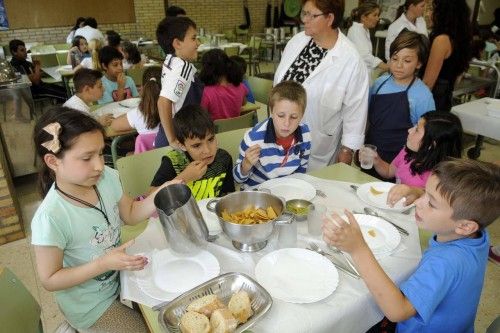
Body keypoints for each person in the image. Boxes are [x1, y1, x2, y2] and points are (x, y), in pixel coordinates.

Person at [30, 107, 180, 332]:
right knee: (147, 328)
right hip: (90, 305)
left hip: (119, 277)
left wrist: (158, 195)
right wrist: (103, 264)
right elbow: (50, 279)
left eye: (100, 153)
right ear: (53, 161)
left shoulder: (106, 178)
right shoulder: (51, 217)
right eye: (86, 158)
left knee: (173, 297)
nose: (99, 165)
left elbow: (129, 214)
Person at [323, 159, 500, 332]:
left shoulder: (446, 262)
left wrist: (358, 248)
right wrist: (417, 191)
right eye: (425, 194)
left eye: (431, 203)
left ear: (465, 226)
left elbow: (397, 311)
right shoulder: (475, 234)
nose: (417, 203)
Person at [274, 0, 369, 171]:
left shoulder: (351, 60)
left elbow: (355, 115)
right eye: (304, 13)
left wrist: (346, 154)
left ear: (330, 18)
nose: (305, 19)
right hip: (278, 141)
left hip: (316, 149)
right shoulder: (296, 42)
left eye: (312, 15)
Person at [365, 30, 434, 177]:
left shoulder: (422, 96)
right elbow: (367, 118)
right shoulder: (379, 83)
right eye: (395, 59)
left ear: (419, 63)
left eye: (407, 61)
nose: (399, 65)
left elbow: (428, 137)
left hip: (399, 163)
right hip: (371, 153)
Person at [361, 111, 462, 207]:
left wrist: (411, 190)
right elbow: (389, 172)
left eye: (417, 129)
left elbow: (428, 197)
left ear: (431, 144)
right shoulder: (407, 152)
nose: (409, 130)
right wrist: (376, 160)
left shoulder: (444, 175)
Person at [233, 80, 311, 189]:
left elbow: (301, 171)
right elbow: (237, 179)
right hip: (258, 193)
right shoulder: (253, 139)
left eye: (293, 117)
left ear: (302, 115)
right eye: (281, 115)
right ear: (271, 112)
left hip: (287, 190)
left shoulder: (305, 134)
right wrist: (245, 164)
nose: (287, 123)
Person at [150, 104, 235, 200]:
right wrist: (184, 178)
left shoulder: (224, 158)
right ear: (182, 145)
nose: (207, 150)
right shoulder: (173, 161)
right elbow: (151, 195)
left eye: (211, 139)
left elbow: (228, 195)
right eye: (197, 145)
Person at [154, 16, 202, 148]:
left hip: (171, 131)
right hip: (177, 136)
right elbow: (163, 102)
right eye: (193, 38)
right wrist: (172, 140)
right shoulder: (181, 67)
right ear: (177, 44)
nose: (198, 43)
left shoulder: (170, 60)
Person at [422, 0, 472, 112]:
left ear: (443, 14)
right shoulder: (460, 39)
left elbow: (427, 83)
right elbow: (457, 78)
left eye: (432, 9)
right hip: (445, 99)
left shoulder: (441, 40)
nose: (427, 14)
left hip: (433, 102)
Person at [111, 66, 161, 153]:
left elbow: (114, 126)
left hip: (146, 161)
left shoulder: (138, 113)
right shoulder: (176, 108)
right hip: (171, 157)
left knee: (128, 154)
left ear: (143, 87)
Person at [199, 49, 247, 120]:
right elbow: (244, 103)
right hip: (236, 129)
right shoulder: (241, 87)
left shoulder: (207, 92)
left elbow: (202, 115)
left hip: (215, 130)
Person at [347, 1, 389, 77]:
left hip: (363, 73)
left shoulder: (365, 29)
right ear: (363, 17)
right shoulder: (355, 30)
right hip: (356, 74)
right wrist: (386, 66)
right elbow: (364, 55)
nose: (378, 19)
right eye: (375, 15)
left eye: (378, 15)